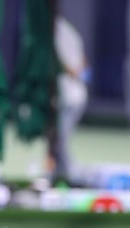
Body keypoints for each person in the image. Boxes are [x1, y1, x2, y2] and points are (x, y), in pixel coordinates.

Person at [53, 15, 89, 186]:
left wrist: (74, 74)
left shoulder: (61, 33)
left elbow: (80, 67)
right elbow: (84, 66)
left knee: (60, 141)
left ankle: (75, 178)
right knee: (57, 140)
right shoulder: (72, 32)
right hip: (69, 97)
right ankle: (56, 176)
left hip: (72, 99)